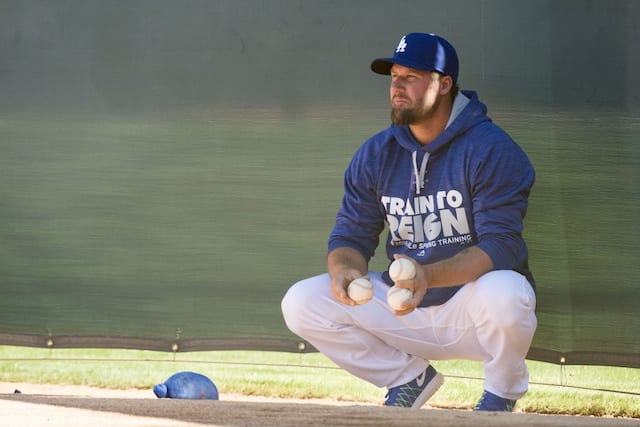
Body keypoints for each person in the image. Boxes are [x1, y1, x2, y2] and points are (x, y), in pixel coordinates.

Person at [281, 32, 537, 412]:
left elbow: (501, 246)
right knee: (301, 301)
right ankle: (407, 378)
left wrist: (428, 276)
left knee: (507, 290)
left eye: (411, 77)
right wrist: (345, 272)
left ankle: (501, 393)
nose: (397, 86)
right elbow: (350, 234)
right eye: (394, 76)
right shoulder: (376, 152)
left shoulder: (490, 148)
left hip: (468, 309)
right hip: (403, 307)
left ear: (445, 84)